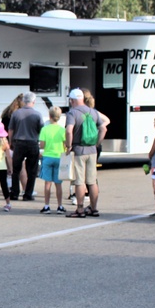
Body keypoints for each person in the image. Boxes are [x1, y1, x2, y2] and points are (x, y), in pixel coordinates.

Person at [64, 89, 106, 218]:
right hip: (92, 150)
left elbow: (69, 130)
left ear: (71, 100)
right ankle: (94, 208)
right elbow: (103, 128)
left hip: (78, 150)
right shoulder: (93, 112)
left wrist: (68, 145)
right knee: (92, 181)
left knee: (79, 181)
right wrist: (97, 143)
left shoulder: (72, 113)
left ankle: (80, 209)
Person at [8, 92, 44, 201]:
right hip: (32, 143)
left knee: (16, 170)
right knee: (32, 170)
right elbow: (41, 130)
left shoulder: (16, 113)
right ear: (33, 102)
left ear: (23, 101)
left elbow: (10, 130)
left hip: (19, 143)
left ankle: (14, 193)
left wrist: (11, 142)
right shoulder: (37, 114)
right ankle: (28, 194)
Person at [38, 106, 66, 214]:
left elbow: (42, 144)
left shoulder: (45, 129)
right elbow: (65, 145)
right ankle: (60, 206)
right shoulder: (62, 130)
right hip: (59, 157)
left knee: (47, 183)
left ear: (49, 116)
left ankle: (46, 206)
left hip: (48, 156)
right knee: (58, 184)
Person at [0, 94, 25, 195]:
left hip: (5, 142)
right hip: (17, 143)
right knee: (21, 168)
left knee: (9, 168)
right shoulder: (19, 114)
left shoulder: (7, 112)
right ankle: (25, 188)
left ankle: (10, 188)